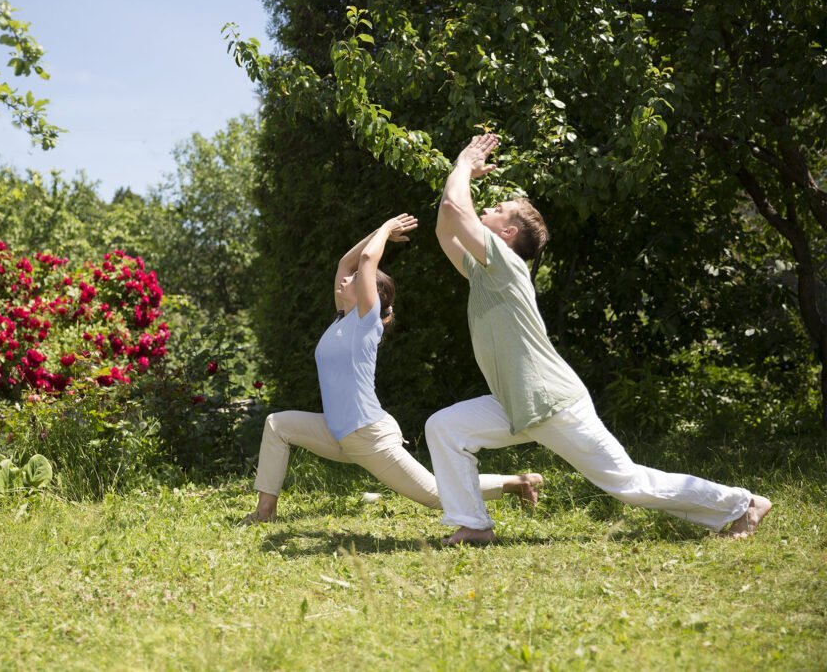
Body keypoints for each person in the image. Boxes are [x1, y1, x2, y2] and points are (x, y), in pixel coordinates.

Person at [426, 133, 772, 545]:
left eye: (498, 209)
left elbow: (453, 206)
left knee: (628, 484)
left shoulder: (505, 265)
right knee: (445, 427)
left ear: (508, 233)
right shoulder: (483, 271)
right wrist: (460, 168)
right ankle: (474, 526)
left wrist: (465, 163)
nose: (487, 207)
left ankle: (742, 504)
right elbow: (445, 226)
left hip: (553, 403)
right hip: (516, 403)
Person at [244, 214, 542, 524]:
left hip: (369, 434)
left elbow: (369, 258)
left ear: (370, 294)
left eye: (357, 278)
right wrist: (379, 230)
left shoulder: (365, 321)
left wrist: (386, 230)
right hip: (337, 432)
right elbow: (346, 264)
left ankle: (517, 483)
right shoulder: (343, 318)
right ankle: (265, 512)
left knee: (435, 495)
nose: (346, 279)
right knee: (277, 425)